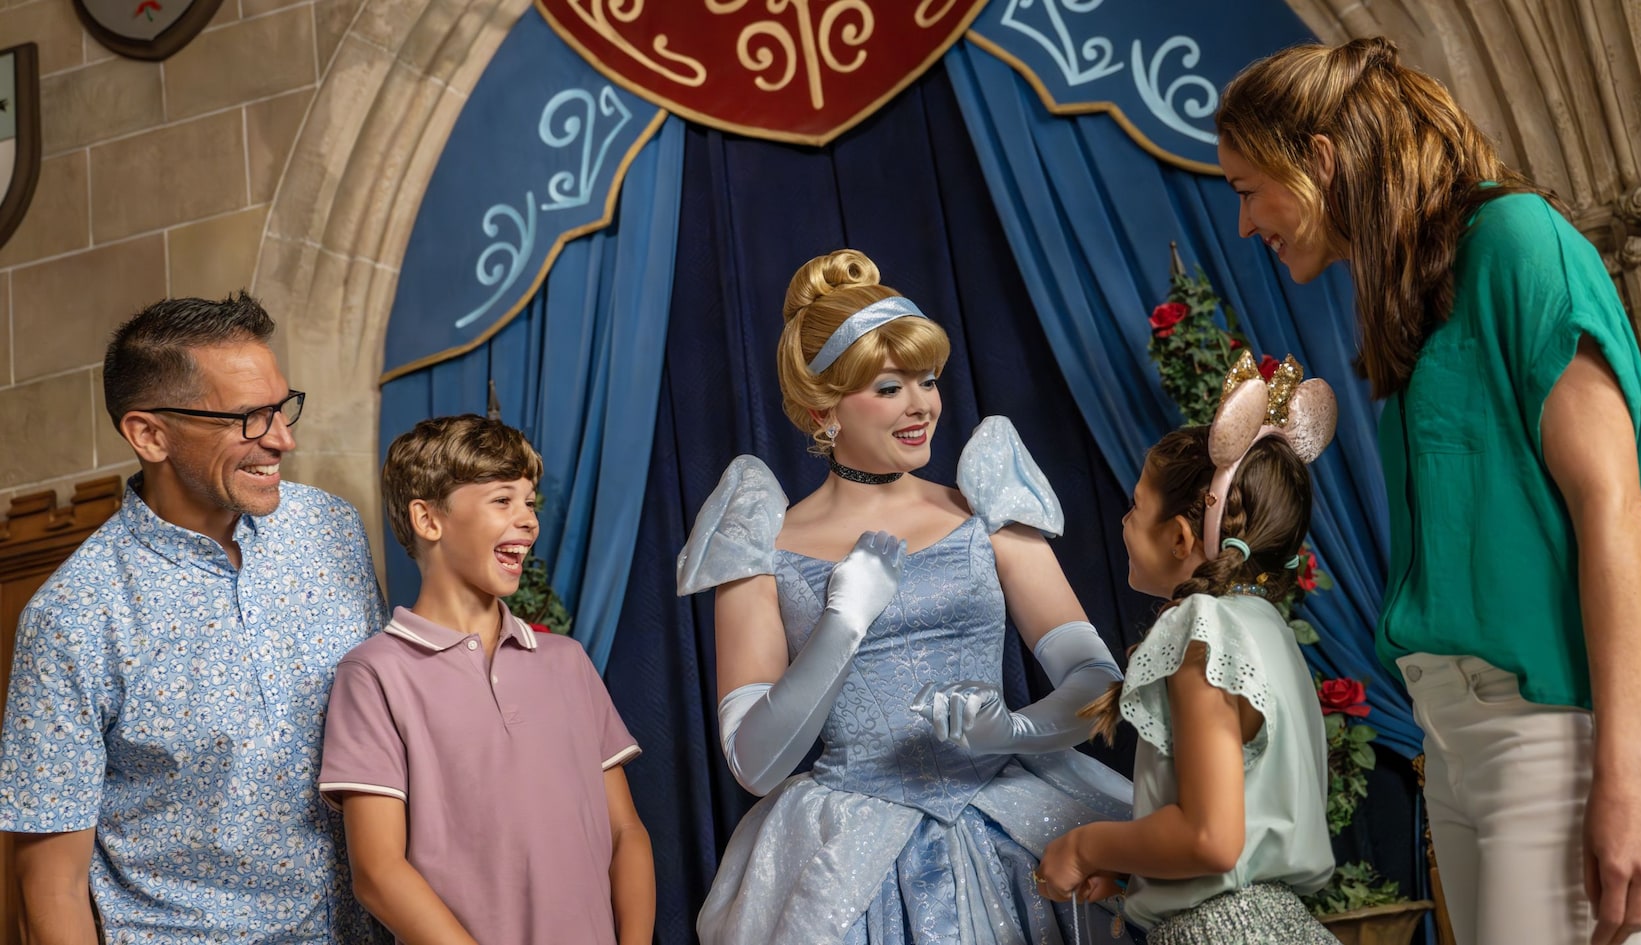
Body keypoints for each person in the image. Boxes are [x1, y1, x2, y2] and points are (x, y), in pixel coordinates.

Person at [1213, 36, 1641, 945]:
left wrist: (1624, 772)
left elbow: (1616, 512)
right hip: (1461, 743)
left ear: (1320, 159)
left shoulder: (1514, 239)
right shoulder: (1415, 295)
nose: (1245, 224)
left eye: (1247, 189)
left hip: (1561, 731)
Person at [675, 248, 1135, 944]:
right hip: (851, 855)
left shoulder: (986, 511)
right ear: (819, 408)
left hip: (1014, 820)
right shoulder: (762, 550)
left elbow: (1097, 680)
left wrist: (1015, 729)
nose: (922, 404)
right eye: (890, 387)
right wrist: (841, 623)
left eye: (926, 379)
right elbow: (755, 762)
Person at [0, 292, 387, 943]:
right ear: (149, 433)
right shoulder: (72, 619)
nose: (283, 439)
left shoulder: (332, 528)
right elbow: (51, 887)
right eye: (249, 418)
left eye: (282, 407)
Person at [1035, 352, 1339, 943]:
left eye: (1135, 507)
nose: (1123, 523)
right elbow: (1238, 837)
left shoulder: (1201, 628)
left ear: (1178, 536)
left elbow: (1211, 839)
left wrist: (1085, 844)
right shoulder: (1264, 625)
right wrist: (1135, 874)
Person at [318, 415, 654, 945]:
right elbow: (379, 873)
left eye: (530, 502)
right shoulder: (374, 675)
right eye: (503, 501)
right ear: (429, 520)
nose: (528, 520)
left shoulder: (566, 662)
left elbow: (626, 831)